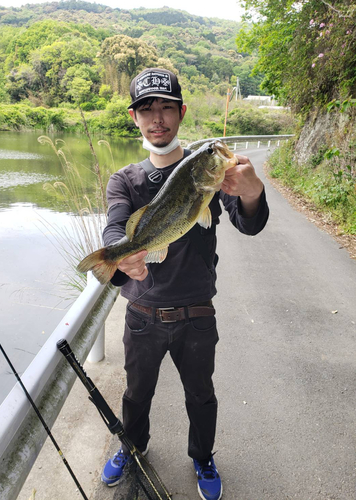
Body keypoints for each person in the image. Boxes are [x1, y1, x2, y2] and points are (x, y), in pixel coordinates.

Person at [101, 67, 269, 500]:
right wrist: (122, 262)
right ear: (134, 118)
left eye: (166, 107)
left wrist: (250, 192)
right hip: (141, 313)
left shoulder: (208, 172)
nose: (157, 118)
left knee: (201, 395)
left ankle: (203, 456)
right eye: (146, 109)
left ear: (181, 112)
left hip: (197, 313)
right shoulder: (125, 179)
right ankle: (132, 446)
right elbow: (117, 227)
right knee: (137, 395)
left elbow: (248, 223)